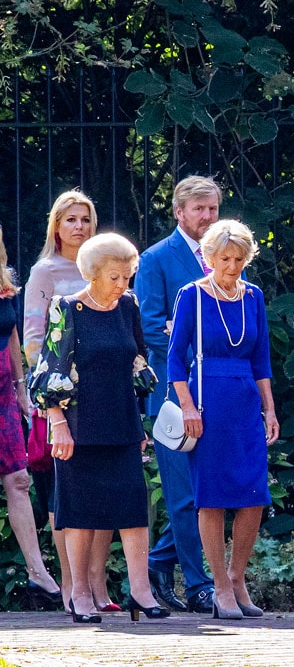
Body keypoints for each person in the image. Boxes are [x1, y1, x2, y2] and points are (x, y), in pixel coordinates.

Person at [30, 233, 168, 624]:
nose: (122, 284)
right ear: (92, 273)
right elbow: (50, 371)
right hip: (78, 423)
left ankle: (141, 592)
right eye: (114, 277)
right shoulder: (67, 309)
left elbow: (138, 362)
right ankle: (80, 594)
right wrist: (58, 424)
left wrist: (140, 422)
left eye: (128, 276)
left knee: (132, 506)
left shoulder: (128, 306)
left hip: (122, 418)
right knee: (80, 509)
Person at [168, 219, 279, 619]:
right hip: (207, 404)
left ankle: (237, 577)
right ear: (209, 258)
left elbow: (261, 357)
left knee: (254, 497)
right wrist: (187, 406)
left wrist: (269, 407)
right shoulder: (192, 296)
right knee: (211, 499)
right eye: (224, 258)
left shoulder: (253, 296)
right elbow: (174, 358)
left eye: (239, 258)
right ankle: (218, 586)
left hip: (246, 400)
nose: (232, 266)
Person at [23, 189, 117, 614]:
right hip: (63, 398)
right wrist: (55, 393)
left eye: (85, 218)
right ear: (56, 226)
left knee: (106, 490)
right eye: (70, 219)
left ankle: (98, 584)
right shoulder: (45, 271)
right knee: (68, 493)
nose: (79, 226)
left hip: (107, 394)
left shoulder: (106, 268)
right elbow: (32, 342)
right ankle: (71, 584)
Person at [134, 176, 219, 613]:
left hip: (219, 389)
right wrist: (189, 334)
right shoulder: (155, 259)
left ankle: (156, 562)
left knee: (211, 492)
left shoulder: (225, 255)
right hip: (172, 390)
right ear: (179, 211)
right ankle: (199, 584)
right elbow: (151, 329)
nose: (207, 217)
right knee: (185, 492)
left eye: (212, 209)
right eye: (199, 209)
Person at [0, 225, 62, 606]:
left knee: (19, 480)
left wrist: (22, 387)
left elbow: (9, 335)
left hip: (4, 391)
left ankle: (37, 572)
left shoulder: (3, 281)